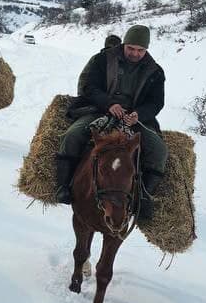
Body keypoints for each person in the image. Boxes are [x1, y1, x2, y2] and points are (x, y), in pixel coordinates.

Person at [56, 25, 167, 219]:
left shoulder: (155, 71)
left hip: (134, 119)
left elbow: (156, 102)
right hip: (101, 111)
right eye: (131, 48)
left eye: (140, 50)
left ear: (146, 49)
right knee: (72, 135)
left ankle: (145, 198)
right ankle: (63, 186)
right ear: (124, 43)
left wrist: (138, 114)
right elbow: (89, 87)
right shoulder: (103, 59)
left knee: (159, 151)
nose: (135, 53)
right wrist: (109, 104)